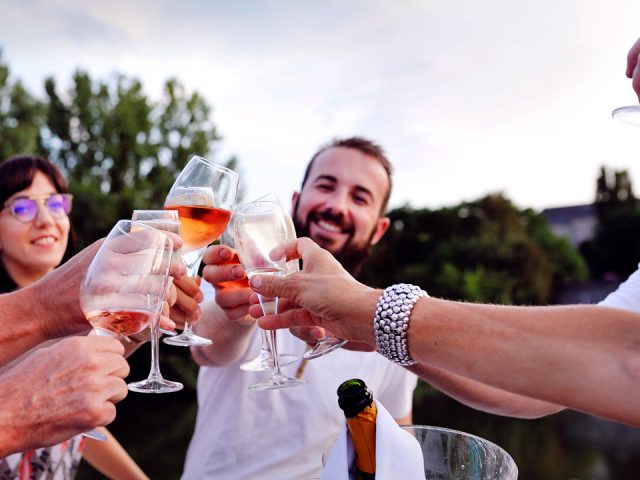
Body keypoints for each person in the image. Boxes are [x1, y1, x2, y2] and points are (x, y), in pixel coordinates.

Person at [181, 137, 418, 479]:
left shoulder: (384, 323)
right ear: (296, 201)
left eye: (359, 197)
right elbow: (206, 352)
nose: (337, 205)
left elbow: (397, 448)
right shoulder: (241, 271)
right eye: (326, 186)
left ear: (379, 228)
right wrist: (239, 312)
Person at [0, 156, 153, 479]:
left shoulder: (79, 321)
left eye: (56, 204)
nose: (45, 219)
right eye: (22, 208)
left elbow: (74, 416)